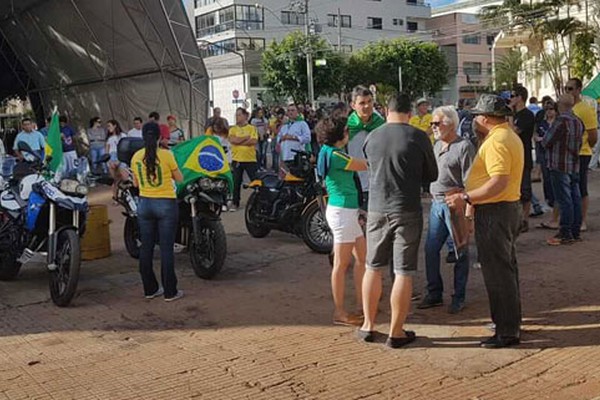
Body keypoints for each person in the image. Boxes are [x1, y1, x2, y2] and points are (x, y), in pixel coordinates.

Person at [360, 93, 438, 349]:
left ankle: (368, 325)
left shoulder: (372, 136)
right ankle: (396, 331)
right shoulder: (418, 136)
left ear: (385, 109)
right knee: (404, 270)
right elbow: (432, 174)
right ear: (410, 113)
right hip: (406, 209)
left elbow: (371, 166)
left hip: (376, 209)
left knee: (373, 266)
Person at [446, 94, 524, 349]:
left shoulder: (498, 141)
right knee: (505, 269)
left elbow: (498, 181)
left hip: (495, 211)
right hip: (504, 208)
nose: (473, 122)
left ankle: (506, 330)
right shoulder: (506, 136)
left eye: (476, 117)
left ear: (486, 118)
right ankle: (508, 323)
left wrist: (466, 197)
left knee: (497, 272)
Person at [418, 106, 475, 314]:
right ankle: (434, 293)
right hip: (436, 204)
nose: (433, 127)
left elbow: (471, 183)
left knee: (460, 252)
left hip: (455, 205)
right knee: (431, 250)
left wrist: (469, 215)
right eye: (432, 123)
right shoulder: (436, 145)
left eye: (437, 123)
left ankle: (458, 296)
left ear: (451, 124)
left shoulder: (464, 147)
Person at [316, 116, 368, 327]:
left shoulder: (328, 152)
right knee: (341, 264)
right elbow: (362, 165)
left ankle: (360, 304)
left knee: (362, 259)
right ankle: (340, 311)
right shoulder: (336, 155)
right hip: (343, 212)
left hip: (346, 210)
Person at [131, 122, 184, 302]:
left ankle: (150, 289)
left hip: (144, 204)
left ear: (143, 137)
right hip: (166, 205)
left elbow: (136, 184)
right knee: (166, 249)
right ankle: (170, 291)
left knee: (146, 247)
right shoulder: (167, 155)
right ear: (160, 137)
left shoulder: (136, 157)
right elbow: (179, 178)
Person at [542, 94, 584, 245]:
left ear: (561, 105)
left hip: (559, 164)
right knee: (575, 198)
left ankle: (565, 232)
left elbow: (546, 141)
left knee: (564, 199)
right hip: (573, 164)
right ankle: (575, 231)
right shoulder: (578, 121)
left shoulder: (561, 121)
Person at [566, 78, 597, 232]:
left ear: (578, 90)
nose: (568, 92)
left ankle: (582, 220)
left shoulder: (584, 109)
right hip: (567, 154)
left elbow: (593, 134)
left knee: (581, 186)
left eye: (571, 88)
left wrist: (586, 146)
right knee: (567, 187)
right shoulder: (565, 108)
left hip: (581, 153)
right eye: (566, 89)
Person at [346, 86, 386, 206]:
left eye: (369, 102)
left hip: (379, 183)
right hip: (355, 184)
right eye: (362, 103)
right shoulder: (346, 127)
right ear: (353, 105)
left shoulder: (381, 125)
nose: (367, 106)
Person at [509, 85, 536, 232]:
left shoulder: (526, 115)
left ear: (520, 97)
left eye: (513, 96)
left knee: (525, 190)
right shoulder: (514, 114)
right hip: (512, 157)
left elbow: (514, 132)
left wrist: (510, 117)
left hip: (523, 155)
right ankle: (517, 218)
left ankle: (524, 219)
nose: (510, 99)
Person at [536, 101, 560, 229]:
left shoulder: (558, 123)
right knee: (546, 178)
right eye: (547, 109)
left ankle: (555, 203)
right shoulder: (542, 124)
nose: (549, 111)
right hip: (544, 154)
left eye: (551, 109)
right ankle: (548, 200)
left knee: (555, 179)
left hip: (555, 156)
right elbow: (537, 137)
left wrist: (544, 139)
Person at [229, 107, 258, 212]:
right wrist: (245, 138)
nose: (237, 117)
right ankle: (235, 202)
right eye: (236, 115)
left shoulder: (251, 128)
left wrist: (239, 141)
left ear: (245, 116)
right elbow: (233, 140)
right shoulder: (233, 129)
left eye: (239, 115)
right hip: (237, 159)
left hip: (250, 159)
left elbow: (253, 141)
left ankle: (257, 202)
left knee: (255, 181)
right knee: (236, 182)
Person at [106, 120, 126, 200]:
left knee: (125, 177)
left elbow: (124, 149)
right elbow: (107, 151)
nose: (108, 128)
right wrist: (109, 161)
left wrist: (119, 160)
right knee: (115, 180)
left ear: (115, 126)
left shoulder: (122, 136)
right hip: (112, 157)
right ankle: (115, 197)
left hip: (120, 156)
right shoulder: (109, 138)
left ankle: (128, 195)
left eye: (109, 126)